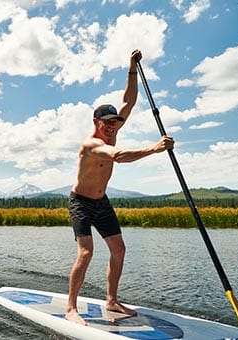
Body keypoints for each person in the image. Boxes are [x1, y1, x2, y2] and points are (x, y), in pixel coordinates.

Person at [65, 49, 174, 326]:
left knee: (119, 249)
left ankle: (111, 300)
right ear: (96, 123)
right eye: (107, 123)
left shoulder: (112, 131)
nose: (113, 127)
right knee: (86, 252)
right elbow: (118, 157)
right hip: (80, 202)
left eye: (115, 123)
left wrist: (132, 67)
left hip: (102, 202)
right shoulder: (92, 144)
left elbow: (129, 100)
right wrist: (154, 149)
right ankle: (71, 308)